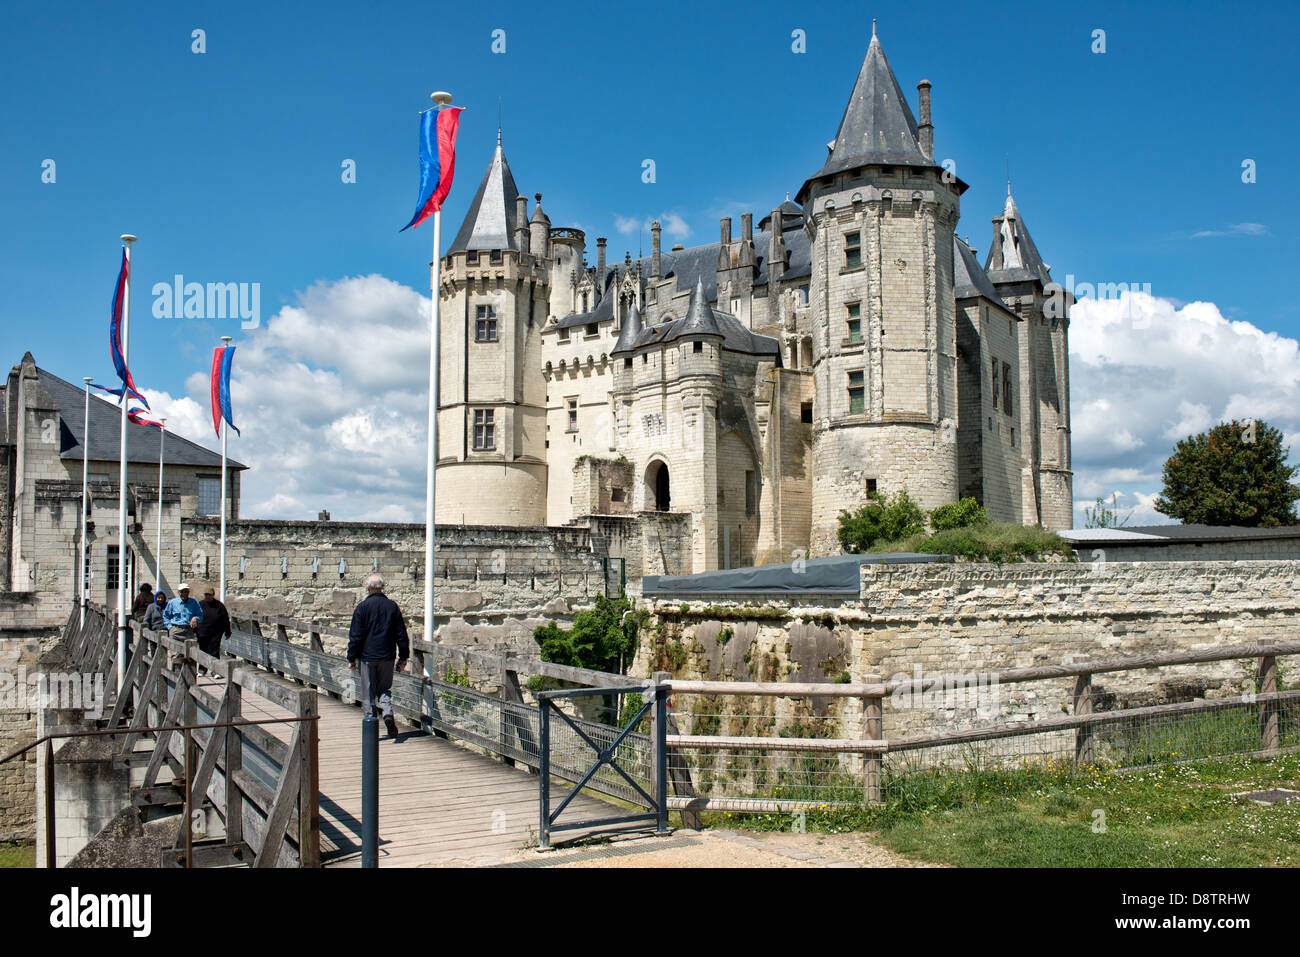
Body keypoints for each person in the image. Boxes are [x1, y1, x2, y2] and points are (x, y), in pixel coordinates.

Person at [347, 573, 409, 738]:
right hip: (387, 656)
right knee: (384, 689)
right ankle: (387, 712)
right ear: (382, 587)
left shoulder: (362, 607)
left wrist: (351, 658)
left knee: (368, 693)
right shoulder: (392, 607)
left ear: (367, 588)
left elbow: (356, 636)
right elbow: (401, 635)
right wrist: (403, 657)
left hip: (367, 657)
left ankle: (371, 726)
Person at [197, 587, 231, 659]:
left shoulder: (219, 606)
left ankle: (214, 669)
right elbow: (194, 618)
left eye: (209, 595)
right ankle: (202, 669)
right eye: (206, 595)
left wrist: (228, 632)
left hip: (215, 633)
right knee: (203, 651)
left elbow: (225, 619)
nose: (208, 596)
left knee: (214, 651)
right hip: (202, 633)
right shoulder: (200, 604)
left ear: (213, 595)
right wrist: (194, 631)